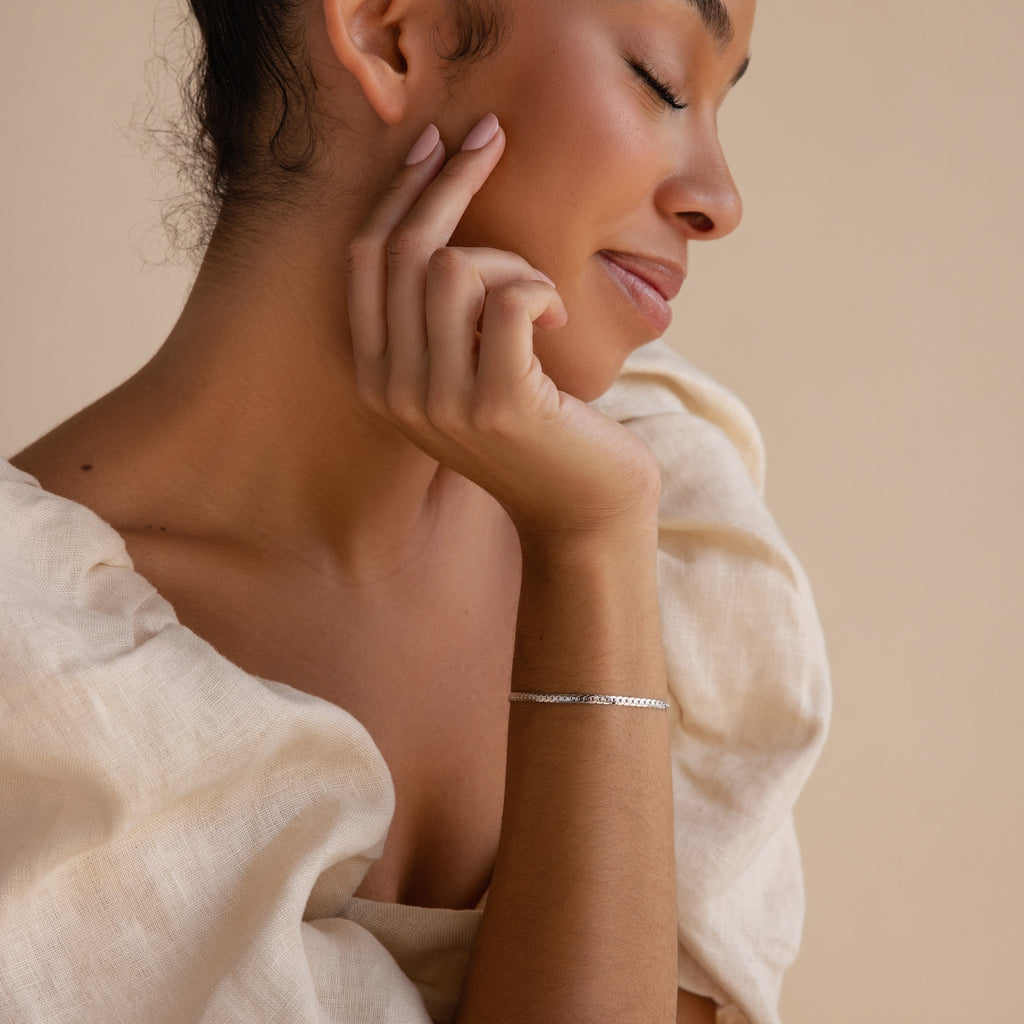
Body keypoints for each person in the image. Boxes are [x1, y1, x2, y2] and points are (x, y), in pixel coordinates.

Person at [0, 0, 830, 1021]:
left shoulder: (656, 513)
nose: (720, 200)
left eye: (719, 103)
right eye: (662, 83)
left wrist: (593, 547)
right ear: (390, 34)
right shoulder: (37, 686)